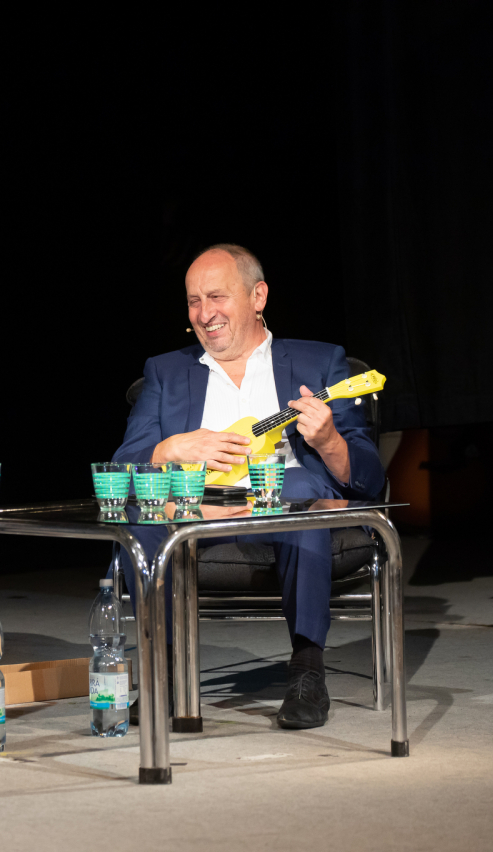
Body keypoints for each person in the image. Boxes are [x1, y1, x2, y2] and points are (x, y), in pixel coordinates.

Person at [113, 245, 385, 729]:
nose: (205, 314)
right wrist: (171, 448)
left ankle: (307, 670)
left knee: (297, 488)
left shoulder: (319, 363)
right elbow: (121, 467)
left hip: (288, 513)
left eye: (217, 297)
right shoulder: (166, 371)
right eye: (194, 301)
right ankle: (167, 674)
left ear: (258, 297)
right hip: (195, 515)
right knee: (142, 516)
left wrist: (328, 441)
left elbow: (368, 477)